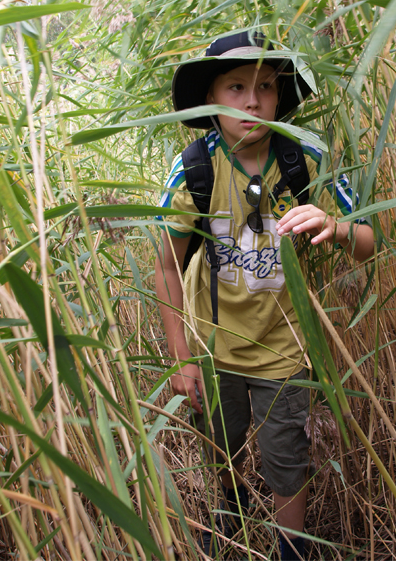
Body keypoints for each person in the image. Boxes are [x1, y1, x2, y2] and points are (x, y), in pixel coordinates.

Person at [155, 30, 374, 560]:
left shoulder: (304, 162)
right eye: (236, 87)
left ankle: (290, 548)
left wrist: (335, 225)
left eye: (267, 87)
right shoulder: (195, 170)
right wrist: (182, 358)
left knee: (287, 457)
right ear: (211, 99)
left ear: (280, 97)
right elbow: (165, 267)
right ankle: (229, 510)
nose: (253, 101)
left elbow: (370, 242)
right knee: (220, 445)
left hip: (284, 346)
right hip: (214, 347)